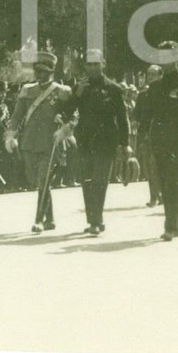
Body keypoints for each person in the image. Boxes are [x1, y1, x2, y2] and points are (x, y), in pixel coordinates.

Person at [58, 50, 130, 235]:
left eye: (95, 64)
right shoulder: (80, 88)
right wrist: (77, 94)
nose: (92, 68)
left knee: (100, 181)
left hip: (106, 141)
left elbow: (122, 118)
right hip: (85, 140)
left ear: (103, 64)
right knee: (87, 181)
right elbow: (66, 112)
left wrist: (125, 143)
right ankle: (93, 219)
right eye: (89, 64)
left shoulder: (113, 88)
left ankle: (96, 220)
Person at [4, 52, 73, 233]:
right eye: (37, 70)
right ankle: (49, 219)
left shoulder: (62, 91)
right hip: (29, 142)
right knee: (37, 181)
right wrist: (10, 135)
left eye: (44, 71)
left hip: (51, 142)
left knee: (43, 180)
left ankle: (39, 220)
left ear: (51, 71)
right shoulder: (27, 90)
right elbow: (17, 116)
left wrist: (64, 128)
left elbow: (73, 116)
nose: (40, 74)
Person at [142, 42, 178, 241]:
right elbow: (147, 116)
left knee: (173, 182)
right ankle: (175, 224)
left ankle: (169, 225)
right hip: (159, 141)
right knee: (164, 181)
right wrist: (143, 139)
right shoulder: (155, 87)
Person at [134, 65, 163, 207]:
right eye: (148, 74)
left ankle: (161, 195)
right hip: (146, 136)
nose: (150, 77)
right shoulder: (143, 95)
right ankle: (154, 196)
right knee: (150, 166)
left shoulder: (164, 94)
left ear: (160, 76)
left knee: (160, 167)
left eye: (153, 74)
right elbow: (136, 115)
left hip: (163, 135)